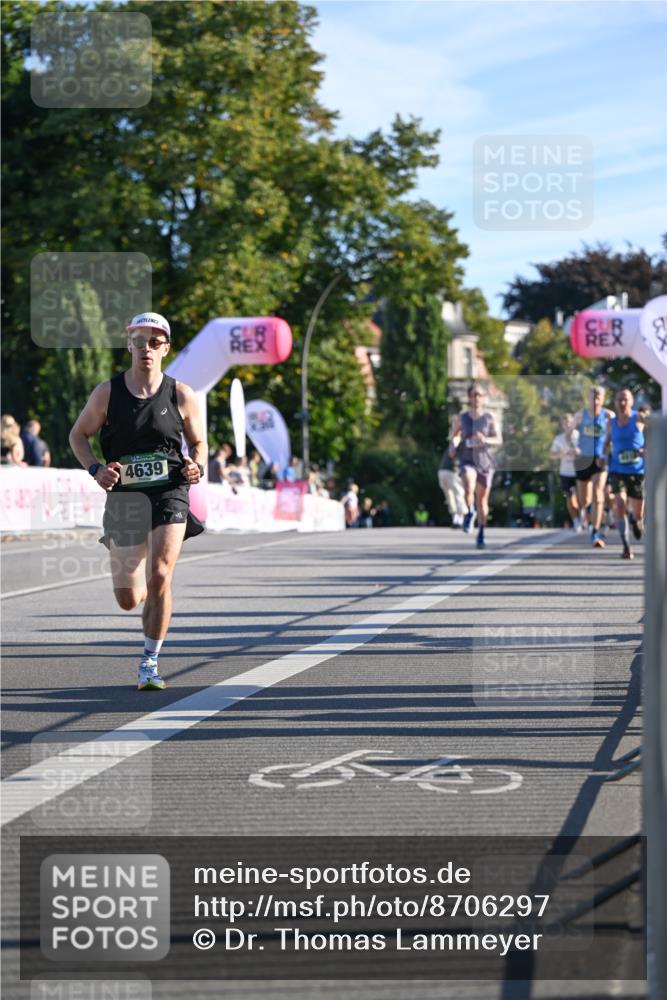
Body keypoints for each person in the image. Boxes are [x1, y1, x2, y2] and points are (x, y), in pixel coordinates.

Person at [69, 311, 207, 691]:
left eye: (155, 342)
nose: (146, 348)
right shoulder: (107, 392)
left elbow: (198, 443)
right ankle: (148, 596)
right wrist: (96, 469)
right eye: (140, 341)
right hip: (125, 495)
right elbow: (78, 436)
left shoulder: (181, 394)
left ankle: (150, 660)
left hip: (170, 489)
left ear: (166, 348)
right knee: (129, 598)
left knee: (161, 572)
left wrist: (197, 464)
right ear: (129, 344)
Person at [449, 384, 501, 549]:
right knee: (468, 485)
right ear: (469, 397)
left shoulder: (490, 417)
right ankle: (469, 511)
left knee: (483, 500)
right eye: (473, 395)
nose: (476, 398)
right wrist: (453, 445)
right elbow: (455, 435)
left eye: (479, 395)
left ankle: (481, 533)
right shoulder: (462, 417)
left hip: (485, 462)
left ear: (483, 397)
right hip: (467, 459)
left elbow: (499, 440)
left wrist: (485, 440)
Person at [604, 388, 645, 560]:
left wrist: (647, 448)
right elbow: (606, 443)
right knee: (619, 504)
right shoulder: (611, 423)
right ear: (615, 402)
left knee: (638, 512)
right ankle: (626, 547)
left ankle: (637, 522)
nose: (622, 403)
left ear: (631, 401)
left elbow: (653, 435)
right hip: (617, 470)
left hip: (637, 471)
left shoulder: (639, 418)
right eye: (619, 400)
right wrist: (601, 456)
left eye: (625, 399)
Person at [573, 386, 614, 549]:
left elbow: (613, 438)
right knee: (585, 500)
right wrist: (573, 446)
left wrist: (605, 454)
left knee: (598, 494)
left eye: (598, 397)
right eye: (592, 397)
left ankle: (595, 532)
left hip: (600, 460)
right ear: (588, 399)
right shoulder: (580, 415)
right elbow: (569, 433)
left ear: (603, 399)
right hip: (583, 460)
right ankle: (592, 513)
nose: (595, 401)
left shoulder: (609, 416)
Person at [549, 413, 582, 531]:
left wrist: (579, 452)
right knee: (570, 499)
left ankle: (584, 517)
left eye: (569, 422)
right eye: (565, 422)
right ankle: (576, 520)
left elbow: (589, 451)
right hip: (566, 472)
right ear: (562, 425)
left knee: (582, 498)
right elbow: (551, 455)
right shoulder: (559, 439)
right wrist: (561, 453)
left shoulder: (580, 436)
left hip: (580, 471)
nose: (567, 424)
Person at [437, 444, 466, 528]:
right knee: (458, 494)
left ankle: (455, 517)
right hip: (451, 471)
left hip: (441, 471)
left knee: (450, 496)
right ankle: (460, 517)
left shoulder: (453, 442)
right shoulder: (460, 443)